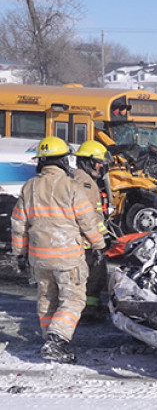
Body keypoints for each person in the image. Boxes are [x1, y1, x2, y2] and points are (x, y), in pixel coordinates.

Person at [10, 137, 106, 363]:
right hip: (67, 257)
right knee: (73, 299)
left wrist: (19, 253)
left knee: (47, 298)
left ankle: (49, 340)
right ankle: (57, 340)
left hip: (39, 258)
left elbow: (18, 224)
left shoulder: (29, 187)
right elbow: (87, 221)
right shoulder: (71, 186)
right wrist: (99, 245)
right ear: (63, 160)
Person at [72, 140, 111, 323]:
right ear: (87, 161)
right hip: (85, 241)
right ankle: (87, 311)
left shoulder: (85, 180)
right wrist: (101, 238)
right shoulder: (84, 183)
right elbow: (87, 216)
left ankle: (90, 307)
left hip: (87, 239)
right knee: (94, 276)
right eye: (98, 161)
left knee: (95, 275)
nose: (101, 166)